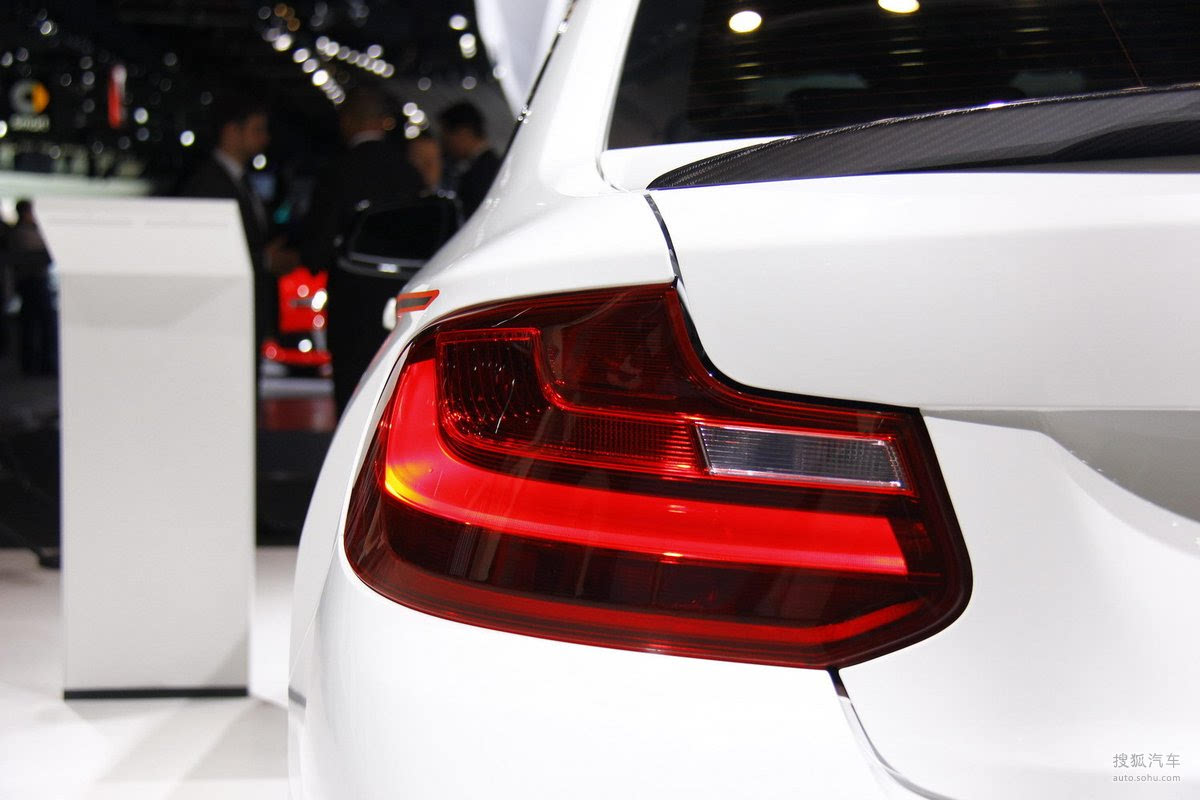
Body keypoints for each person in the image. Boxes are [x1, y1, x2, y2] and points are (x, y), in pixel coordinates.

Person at [301, 87, 425, 412]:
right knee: (394, 396)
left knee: (351, 396)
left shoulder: (338, 172)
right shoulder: (408, 173)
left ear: (347, 121)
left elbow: (318, 245)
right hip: (400, 304)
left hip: (351, 306)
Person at [182, 95, 294, 350]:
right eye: (257, 130)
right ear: (232, 131)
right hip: (224, 314)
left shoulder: (240, 181)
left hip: (247, 311)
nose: (265, 139)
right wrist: (265, 261)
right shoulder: (209, 183)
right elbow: (207, 251)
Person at [10, 199, 56, 376]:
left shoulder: (23, 232)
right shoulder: (23, 233)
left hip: (32, 281)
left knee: (33, 324)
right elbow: (42, 253)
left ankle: (35, 363)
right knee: (39, 324)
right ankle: (40, 363)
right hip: (32, 281)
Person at [437, 101, 500, 220]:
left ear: (464, 132)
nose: (445, 145)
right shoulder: (494, 165)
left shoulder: (480, 174)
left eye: (446, 137)